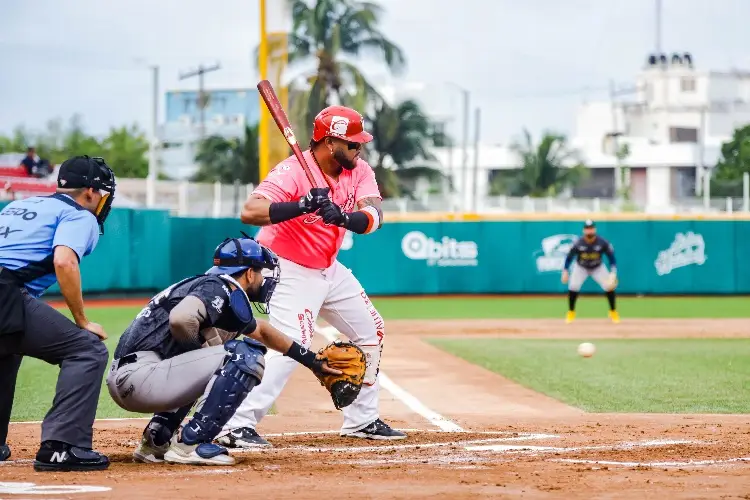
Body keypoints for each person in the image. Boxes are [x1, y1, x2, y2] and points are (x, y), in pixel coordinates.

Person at [216, 105, 405, 449]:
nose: (359, 149)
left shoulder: (358, 170)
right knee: (291, 343)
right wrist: (302, 204)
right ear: (330, 143)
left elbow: (375, 214)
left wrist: (344, 218)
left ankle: (361, 419)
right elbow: (251, 210)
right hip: (286, 267)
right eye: (352, 143)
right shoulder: (292, 172)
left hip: (328, 267)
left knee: (371, 329)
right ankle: (236, 423)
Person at [107, 236, 344, 466]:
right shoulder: (220, 287)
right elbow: (182, 319)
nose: (263, 279)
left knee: (220, 350)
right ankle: (192, 444)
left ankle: (157, 440)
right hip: (142, 379)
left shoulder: (206, 285)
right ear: (249, 273)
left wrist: (312, 361)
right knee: (243, 355)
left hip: (129, 378)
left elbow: (261, 331)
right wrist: (196, 352)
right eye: (260, 272)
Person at [0, 155, 116, 472]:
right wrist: (82, 320)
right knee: (88, 350)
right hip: (4, 292)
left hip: (8, 294)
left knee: (6, 349)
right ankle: (61, 447)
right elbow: (64, 261)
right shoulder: (81, 216)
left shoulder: (21, 205)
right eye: (104, 194)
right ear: (92, 192)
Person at [561, 219, 620, 324]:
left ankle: (613, 311)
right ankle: (571, 312)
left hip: (598, 267)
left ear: (595, 229)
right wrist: (565, 270)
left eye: (591, 228)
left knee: (609, 286)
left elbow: (611, 257)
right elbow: (569, 257)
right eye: (587, 229)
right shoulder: (578, 243)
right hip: (581, 267)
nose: (589, 231)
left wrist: (613, 271)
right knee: (573, 287)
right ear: (584, 230)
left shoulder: (602, 242)